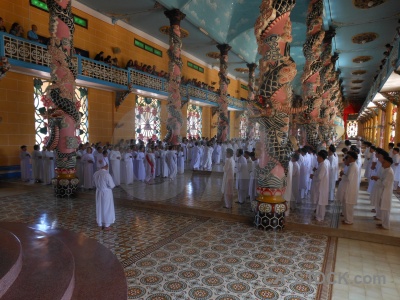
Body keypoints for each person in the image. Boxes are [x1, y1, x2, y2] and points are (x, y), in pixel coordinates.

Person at [339, 151, 359, 225]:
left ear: (352, 158)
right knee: (346, 204)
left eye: (348, 157)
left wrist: (342, 174)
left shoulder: (353, 166)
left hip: (350, 188)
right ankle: (347, 219)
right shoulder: (351, 166)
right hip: (348, 187)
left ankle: (349, 220)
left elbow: (349, 178)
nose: (347, 159)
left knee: (349, 205)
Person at [93, 163, 115, 231]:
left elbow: (93, 184)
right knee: (107, 208)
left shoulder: (95, 173)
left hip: (98, 192)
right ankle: (106, 225)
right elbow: (112, 185)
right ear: (105, 166)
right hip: (106, 192)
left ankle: (100, 223)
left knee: (99, 207)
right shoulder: (107, 174)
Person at [310, 150, 329, 222]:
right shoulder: (321, 164)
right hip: (320, 186)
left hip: (321, 187)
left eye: (318, 156)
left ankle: (320, 217)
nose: (317, 158)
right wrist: (316, 171)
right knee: (319, 201)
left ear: (321, 157)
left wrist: (313, 176)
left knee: (321, 202)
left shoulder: (323, 165)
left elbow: (319, 177)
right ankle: (318, 215)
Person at [376, 156, 394, 229]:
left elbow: (385, 183)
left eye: (384, 162)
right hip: (384, 192)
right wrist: (379, 179)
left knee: (386, 209)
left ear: (389, 163)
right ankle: (383, 223)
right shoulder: (386, 170)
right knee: (383, 208)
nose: (382, 164)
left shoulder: (389, 172)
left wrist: (377, 179)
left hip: (386, 193)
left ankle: (386, 225)